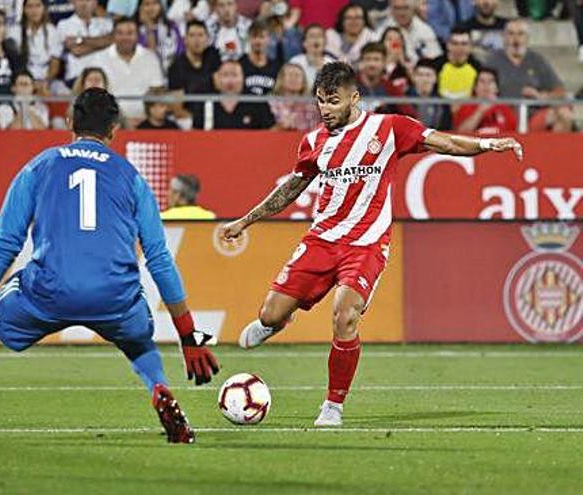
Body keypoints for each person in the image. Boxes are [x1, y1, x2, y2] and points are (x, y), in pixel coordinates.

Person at [219, 61, 522, 427]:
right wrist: (245, 220)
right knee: (270, 313)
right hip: (321, 241)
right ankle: (275, 323)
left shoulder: (388, 128)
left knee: (345, 315)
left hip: (366, 246)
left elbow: (445, 142)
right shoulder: (314, 142)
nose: (325, 110)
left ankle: (333, 406)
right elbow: (291, 188)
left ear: (354, 97)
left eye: (332, 101)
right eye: (320, 102)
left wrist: (489, 144)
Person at [0, 88, 219, 443]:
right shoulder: (132, 177)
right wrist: (188, 335)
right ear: (114, 130)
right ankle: (160, 387)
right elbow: (159, 258)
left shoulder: (39, 166)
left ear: (70, 122)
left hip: (48, 292)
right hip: (114, 297)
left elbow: (6, 245)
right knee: (138, 341)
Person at [485, 19, 572, 132]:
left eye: (520, 34)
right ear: (504, 37)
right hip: (502, 115)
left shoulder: (537, 60)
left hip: (533, 116)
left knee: (564, 114)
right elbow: (480, 89)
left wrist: (540, 96)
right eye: (511, 33)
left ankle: (556, 149)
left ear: (527, 38)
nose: (516, 39)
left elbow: (560, 91)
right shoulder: (493, 61)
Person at [94, 16, 165, 126]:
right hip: (110, 122)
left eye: (130, 33)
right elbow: (96, 95)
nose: (125, 37)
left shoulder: (150, 58)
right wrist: (121, 121)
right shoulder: (99, 58)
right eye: (120, 33)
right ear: (113, 35)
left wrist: (146, 120)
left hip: (145, 121)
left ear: (137, 35)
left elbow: (157, 92)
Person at [167, 20, 222, 129]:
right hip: (188, 119)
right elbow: (177, 109)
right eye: (192, 35)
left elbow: (221, 87)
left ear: (207, 39)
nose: (197, 40)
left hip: (215, 114)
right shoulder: (176, 67)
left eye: (201, 35)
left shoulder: (214, 57)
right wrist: (198, 122)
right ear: (185, 40)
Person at [8, 0, 63, 95]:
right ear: (24, 9)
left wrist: (46, 82)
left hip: (47, 80)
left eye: (38, 6)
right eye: (30, 6)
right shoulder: (14, 32)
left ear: (44, 9)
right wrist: (30, 83)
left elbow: (55, 63)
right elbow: (14, 62)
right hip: (23, 80)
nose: (34, 10)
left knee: (63, 93)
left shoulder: (52, 31)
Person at [209, 60, 275, 129]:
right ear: (218, 79)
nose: (230, 80)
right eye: (225, 75)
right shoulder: (207, 100)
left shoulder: (256, 101)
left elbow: (270, 130)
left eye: (235, 75)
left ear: (243, 78)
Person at [453, 67, 518, 133]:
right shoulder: (466, 107)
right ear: (475, 87)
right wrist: (480, 111)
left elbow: (512, 135)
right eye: (482, 81)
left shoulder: (506, 109)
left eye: (491, 81)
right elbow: (461, 133)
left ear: (497, 88)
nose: (486, 85)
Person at [269, 62, 321, 131]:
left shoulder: (313, 105)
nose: (293, 79)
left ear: (303, 81)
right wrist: (280, 127)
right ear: (281, 79)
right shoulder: (271, 103)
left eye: (297, 75)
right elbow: (263, 133)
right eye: (290, 75)